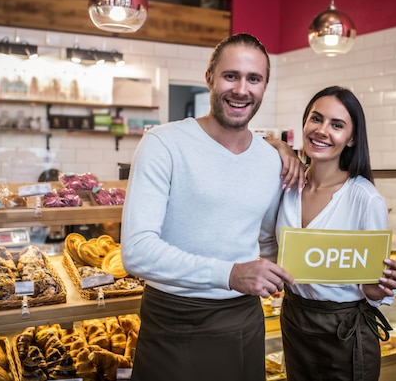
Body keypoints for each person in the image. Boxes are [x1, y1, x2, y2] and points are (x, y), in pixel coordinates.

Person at [120, 33, 300, 381]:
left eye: (254, 79)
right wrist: (231, 274)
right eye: (231, 76)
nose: (241, 89)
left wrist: (360, 277)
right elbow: (137, 252)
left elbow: (267, 244)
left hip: (244, 321)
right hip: (174, 322)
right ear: (209, 79)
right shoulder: (163, 144)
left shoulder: (269, 160)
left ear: (265, 86)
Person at [275, 86, 396, 381]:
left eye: (337, 125)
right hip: (294, 320)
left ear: (352, 138)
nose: (322, 131)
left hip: (344, 332)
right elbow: (250, 145)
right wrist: (280, 146)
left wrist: (376, 290)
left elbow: (373, 287)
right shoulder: (287, 186)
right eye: (316, 119)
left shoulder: (365, 198)